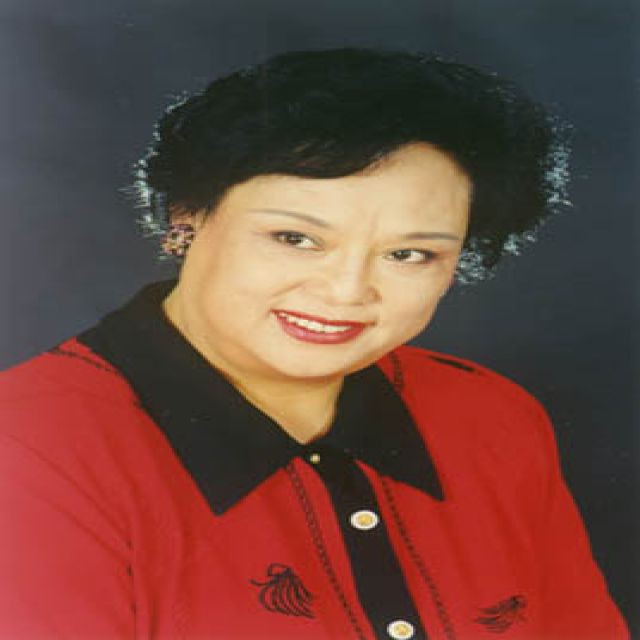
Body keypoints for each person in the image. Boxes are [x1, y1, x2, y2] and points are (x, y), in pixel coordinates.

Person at [0, 48, 628, 639]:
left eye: (409, 254)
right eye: (296, 239)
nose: (346, 292)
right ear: (186, 217)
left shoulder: (491, 416)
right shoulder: (31, 449)